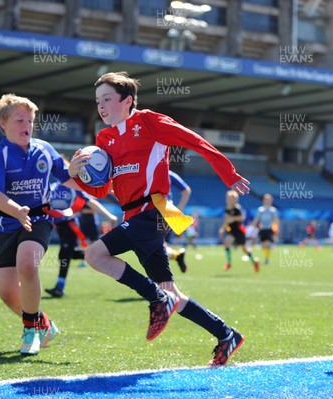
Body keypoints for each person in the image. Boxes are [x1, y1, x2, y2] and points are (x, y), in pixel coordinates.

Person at [68, 72, 248, 366]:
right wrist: (75, 174)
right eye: (98, 101)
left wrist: (228, 174)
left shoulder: (149, 121)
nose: (101, 107)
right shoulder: (104, 139)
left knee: (94, 254)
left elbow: (195, 141)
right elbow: (101, 189)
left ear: (127, 101)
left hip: (157, 211)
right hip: (134, 215)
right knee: (171, 293)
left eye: (108, 99)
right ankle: (226, 334)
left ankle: (155, 298)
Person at [0, 93, 84, 356]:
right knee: (7, 293)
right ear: (3, 124)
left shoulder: (45, 149)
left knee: (27, 264)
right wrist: (16, 210)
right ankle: (43, 322)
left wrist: (74, 169)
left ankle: (30, 330)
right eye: (19, 120)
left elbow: (66, 176)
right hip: (4, 224)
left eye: (29, 120)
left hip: (38, 219)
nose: (26, 126)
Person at [45, 182, 118, 298]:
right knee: (68, 254)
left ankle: (59, 286)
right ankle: (99, 255)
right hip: (60, 227)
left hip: (70, 226)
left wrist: (109, 216)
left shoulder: (72, 186)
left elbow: (90, 202)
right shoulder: (52, 186)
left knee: (65, 254)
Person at [219, 190, 260, 272]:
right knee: (227, 243)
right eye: (228, 198)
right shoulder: (226, 209)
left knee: (244, 249)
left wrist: (232, 218)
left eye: (232, 198)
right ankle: (229, 263)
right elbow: (227, 220)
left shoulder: (237, 208)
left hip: (239, 231)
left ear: (236, 200)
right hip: (231, 231)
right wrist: (222, 228)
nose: (229, 200)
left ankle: (254, 261)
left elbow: (242, 217)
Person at [164, 170, 191, 273]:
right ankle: (177, 256)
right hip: (155, 211)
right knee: (160, 246)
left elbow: (186, 190)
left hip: (166, 212)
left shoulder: (167, 173)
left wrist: (180, 208)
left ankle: (164, 279)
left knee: (155, 245)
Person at [251, 193, 279, 265]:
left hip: (269, 229)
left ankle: (267, 259)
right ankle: (267, 254)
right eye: (266, 200)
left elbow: (276, 220)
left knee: (267, 243)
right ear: (263, 201)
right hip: (262, 229)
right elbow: (256, 219)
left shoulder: (273, 210)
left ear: (271, 201)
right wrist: (253, 227)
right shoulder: (260, 210)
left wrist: (277, 229)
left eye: (269, 200)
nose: (267, 201)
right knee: (264, 246)